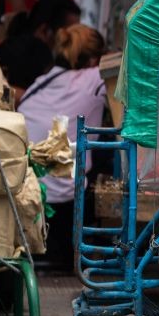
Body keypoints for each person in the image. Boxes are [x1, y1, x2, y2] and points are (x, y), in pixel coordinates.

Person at [18, 24, 107, 270]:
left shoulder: (40, 83)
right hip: (67, 202)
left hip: (28, 193)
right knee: (104, 153)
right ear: (93, 59)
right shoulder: (95, 76)